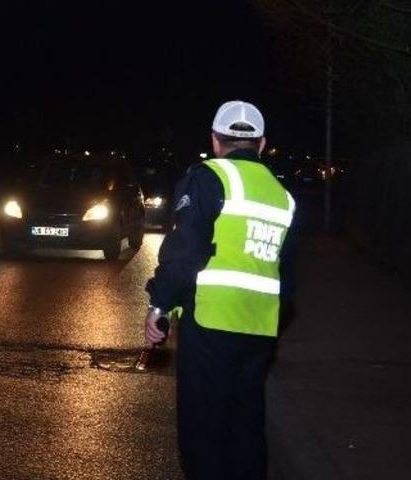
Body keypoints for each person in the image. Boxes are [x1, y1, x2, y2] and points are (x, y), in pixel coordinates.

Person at [144, 101, 296, 480]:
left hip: (211, 324)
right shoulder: (282, 195)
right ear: (261, 144)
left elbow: (187, 249)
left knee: (203, 432)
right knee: (246, 428)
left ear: (215, 140)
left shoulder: (209, 177)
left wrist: (160, 304)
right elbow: (288, 272)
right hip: (260, 329)